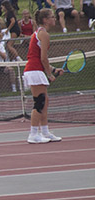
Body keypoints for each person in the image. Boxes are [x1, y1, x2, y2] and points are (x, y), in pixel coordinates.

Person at [22, 8, 63, 143]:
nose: (54, 19)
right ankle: (33, 134)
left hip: (35, 69)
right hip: (34, 70)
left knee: (45, 101)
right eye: (52, 17)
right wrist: (49, 74)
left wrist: (53, 69)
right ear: (45, 20)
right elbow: (43, 58)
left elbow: (41, 59)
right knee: (39, 102)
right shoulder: (43, 34)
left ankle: (45, 131)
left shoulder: (39, 33)